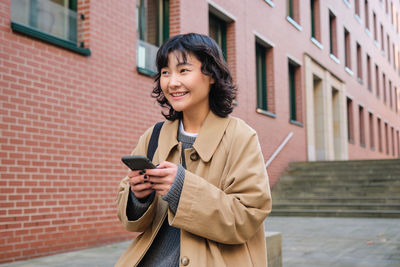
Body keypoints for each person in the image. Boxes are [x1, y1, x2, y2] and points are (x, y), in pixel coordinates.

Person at [115, 33, 272, 267]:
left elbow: (248, 217)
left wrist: (181, 190)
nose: (172, 82)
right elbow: (131, 222)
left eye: (183, 70)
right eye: (165, 73)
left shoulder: (240, 136)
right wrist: (139, 198)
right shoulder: (154, 136)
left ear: (211, 76)